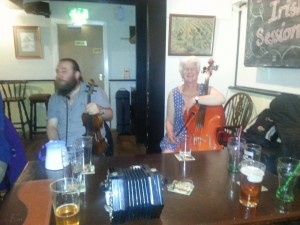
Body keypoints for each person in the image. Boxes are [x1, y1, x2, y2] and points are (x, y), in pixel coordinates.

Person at [47, 58, 113, 155]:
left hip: (91, 150)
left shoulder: (95, 91)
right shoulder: (55, 98)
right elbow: (52, 126)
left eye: (64, 71)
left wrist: (100, 110)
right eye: (57, 71)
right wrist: (56, 145)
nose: (59, 75)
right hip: (64, 151)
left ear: (77, 75)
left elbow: (110, 115)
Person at [160, 56, 225, 153]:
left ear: (198, 72)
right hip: (179, 136)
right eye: (186, 69)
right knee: (168, 155)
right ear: (182, 73)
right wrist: (169, 133)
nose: (189, 72)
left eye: (193, 69)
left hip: (202, 138)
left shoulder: (206, 91)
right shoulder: (173, 93)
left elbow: (221, 99)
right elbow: (169, 120)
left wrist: (196, 99)